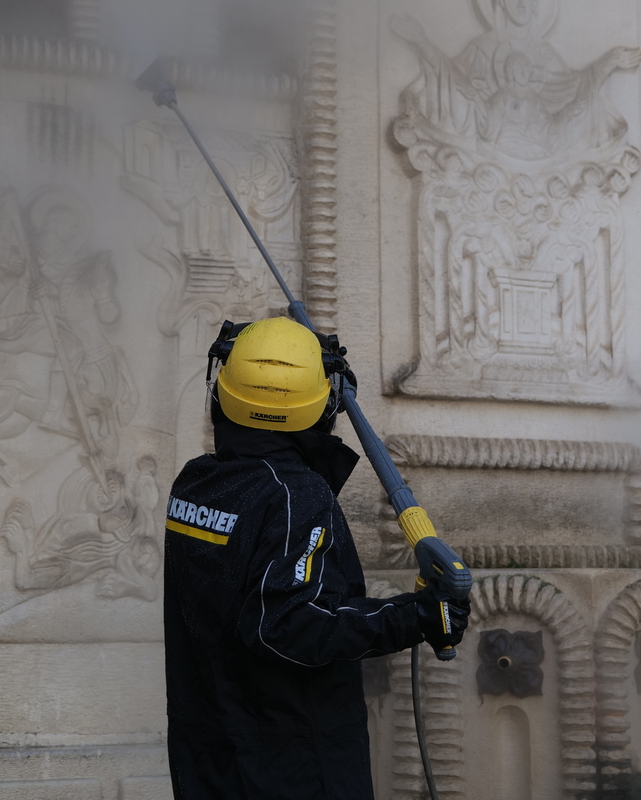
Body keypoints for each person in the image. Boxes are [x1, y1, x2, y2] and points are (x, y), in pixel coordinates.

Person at [162, 316, 470, 800]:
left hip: (210, 753)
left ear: (220, 391)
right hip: (291, 762)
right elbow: (284, 624)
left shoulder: (196, 483)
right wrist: (415, 618)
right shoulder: (295, 495)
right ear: (322, 406)